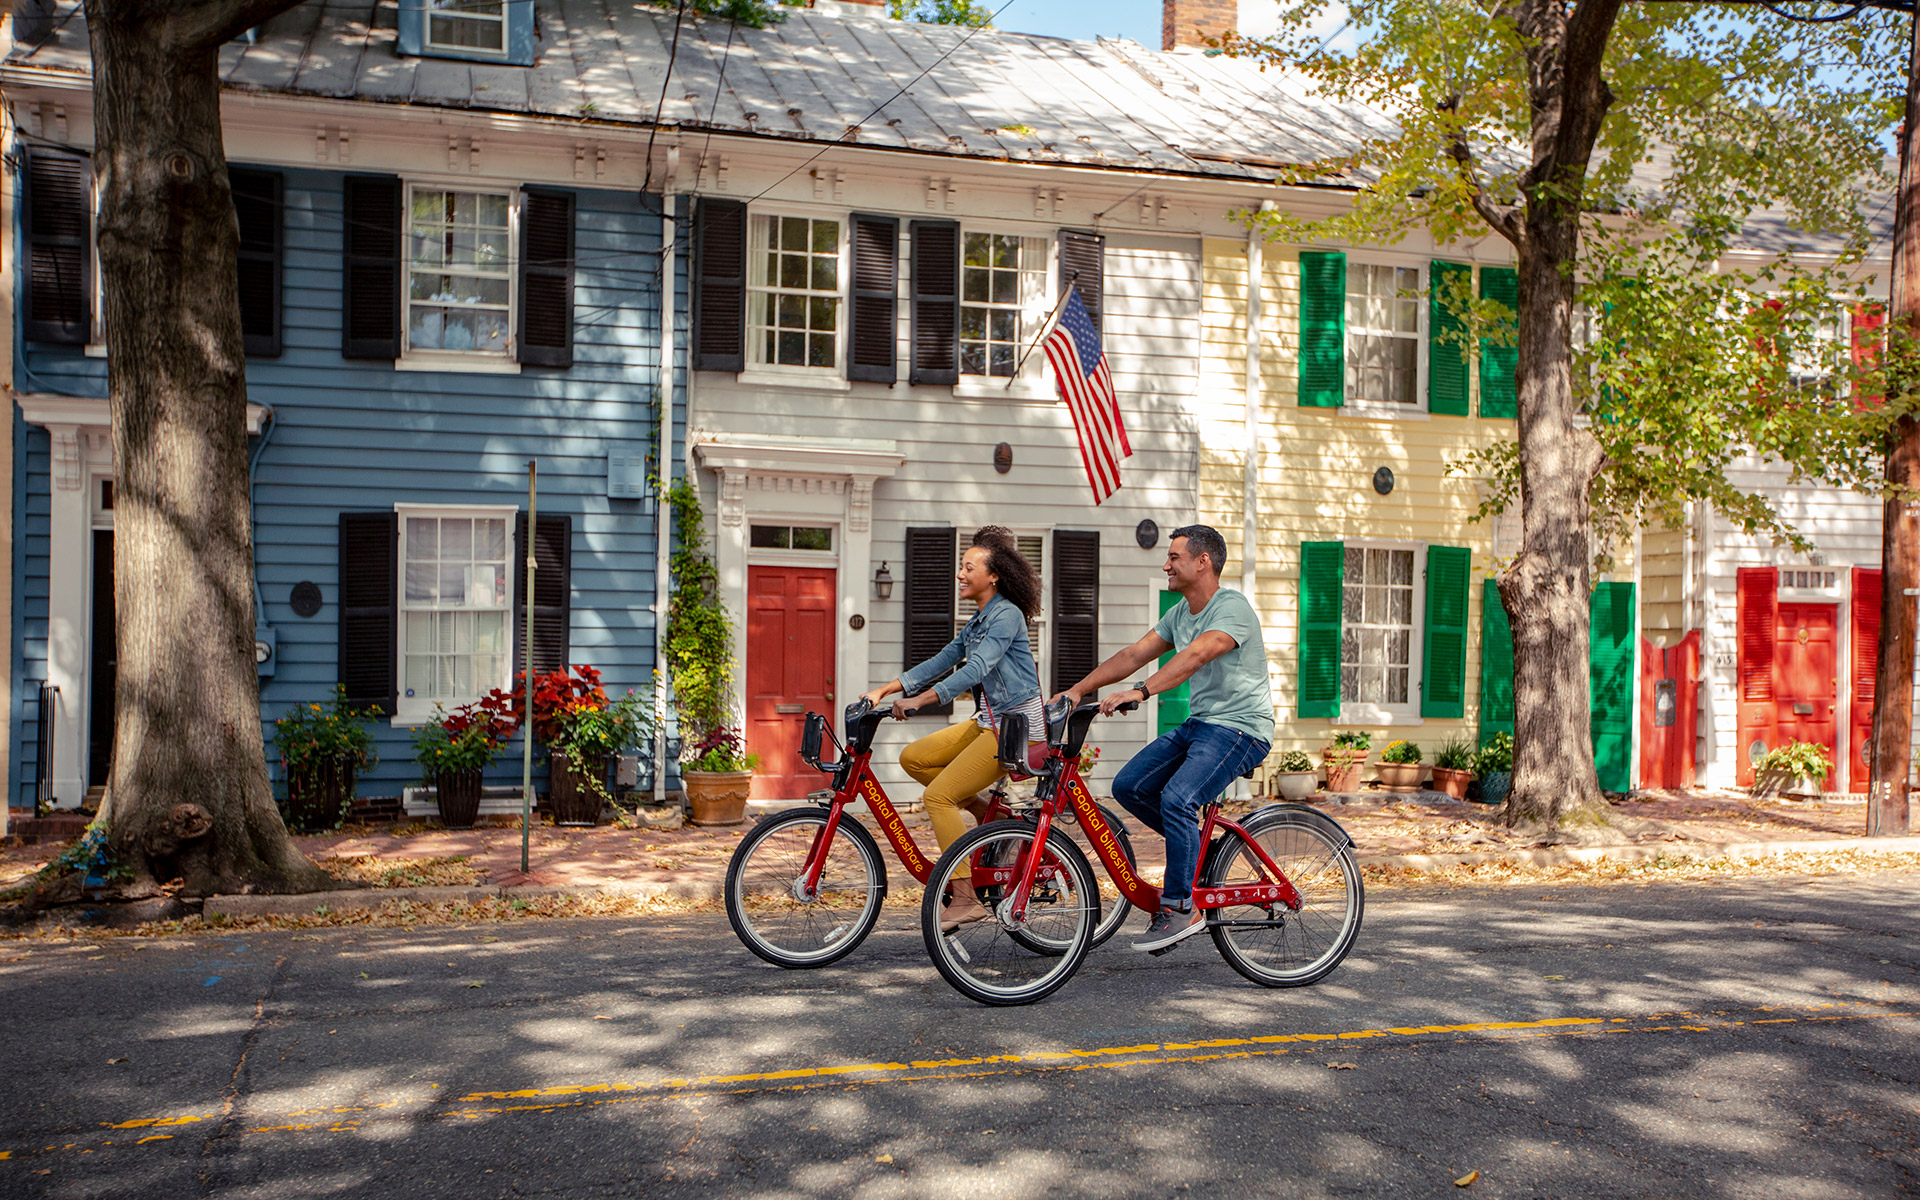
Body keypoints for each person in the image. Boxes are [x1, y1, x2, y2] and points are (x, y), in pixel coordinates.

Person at [1053, 524, 1272, 954]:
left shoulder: (1232, 608)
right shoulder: (1180, 613)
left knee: (1177, 799)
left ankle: (1179, 906)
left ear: (1201, 562)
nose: (1166, 563)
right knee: (1130, 786)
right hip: (1204, 724)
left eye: (1174, 557)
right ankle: (1195, 853)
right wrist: (1078, 690)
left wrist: (1142, 690)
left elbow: (1196, 655)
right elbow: (1134, 654)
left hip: (1242, 727)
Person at [862, 526, 1046, 929]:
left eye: (968, 567)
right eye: (961, 567)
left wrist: (921, 701)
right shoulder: (979, 619)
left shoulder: (1006, 615)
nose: (960, 574)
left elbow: (977, 669)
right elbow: (943, 660)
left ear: (993, 575)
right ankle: (993, 821)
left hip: (1016, 728)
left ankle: (964, 898)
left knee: (939, 798)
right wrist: (886, 689)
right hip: (989, 723)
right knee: (915, 759)